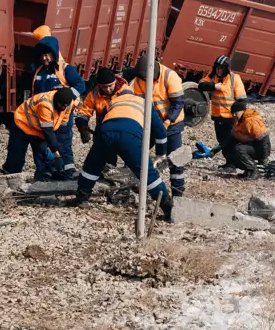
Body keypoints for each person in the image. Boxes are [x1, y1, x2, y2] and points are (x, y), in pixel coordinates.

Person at [65, 90, 170, 217]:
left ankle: (82, 198)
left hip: (107, 133)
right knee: (147, 174)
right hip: (130, 136)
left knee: (91, 167)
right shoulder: (144, 103)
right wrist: (161, 154)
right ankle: (166, 206)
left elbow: (99, 125)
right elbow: (160, 132)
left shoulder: (112, 102)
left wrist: (98, 147)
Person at [130, 56, 187, 196]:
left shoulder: (170, 76)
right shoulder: (138, 80)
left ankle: (178, 193)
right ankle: (130, 186)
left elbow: (178, 102)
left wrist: (167, 121)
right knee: (135, 154)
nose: (146, 81)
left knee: (175, 159)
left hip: (172, 125)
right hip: (151, 126)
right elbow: (134, 103)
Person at [30, 35, 85, 179]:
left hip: (62, 115)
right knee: (41, 145)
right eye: (42, 55)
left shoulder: (65, 69)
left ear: (53, 53)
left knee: (63, 144)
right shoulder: (38, 72)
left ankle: (68, 171)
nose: (44, 58)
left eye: (47, 55)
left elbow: (80, 85)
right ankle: (46, 172)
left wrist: (67, 100)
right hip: (44, 115)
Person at [1, 88, 77, 180]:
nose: (62, 108)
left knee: (41, 152)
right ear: (56, 101)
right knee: (17, 152)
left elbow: (62, 124)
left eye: (64, 106)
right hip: (22, 124)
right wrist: (57, 153)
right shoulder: (45, 104)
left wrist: (58, 148)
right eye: (60, 105)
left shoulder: (69, 104)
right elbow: (48, 131)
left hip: (37, 128)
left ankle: (44, 174)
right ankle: (11, 174)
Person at [198, 55, 247, 171]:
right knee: (222, 141)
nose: (219, 71)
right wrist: (214, 86)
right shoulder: (212, 76)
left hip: (230, 118)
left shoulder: (235, 78)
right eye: (217, 68)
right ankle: (228, 163)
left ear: (226, 69)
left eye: (221, 68)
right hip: (217, 116)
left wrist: (239, 118)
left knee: (230, 142)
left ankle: (233, 164)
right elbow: (201, 85)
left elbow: (242, 100)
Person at [75, 67, 129, 168]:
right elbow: (84, 111)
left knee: (130, 155)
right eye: (104, 87)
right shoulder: (94, 94)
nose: (108, 89)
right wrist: (82, 127)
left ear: (115, 82)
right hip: (104, 128)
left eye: (110, 86)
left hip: (125, 128)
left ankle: (131, 174)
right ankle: (107, 173)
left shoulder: (126, 92)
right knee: (104, 156)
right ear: (99, 85)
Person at [221, 100, 271, 179]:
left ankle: (254, 171)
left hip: (260, 149)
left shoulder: (251, 121)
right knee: (231, 148)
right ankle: (247, 171)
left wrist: (263, 158)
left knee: (239, 150)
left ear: (242, 111)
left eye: (236, 113)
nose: (234, 115)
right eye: (233, 113)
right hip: (251, 146)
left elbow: (262, 138)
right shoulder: (240, 120)